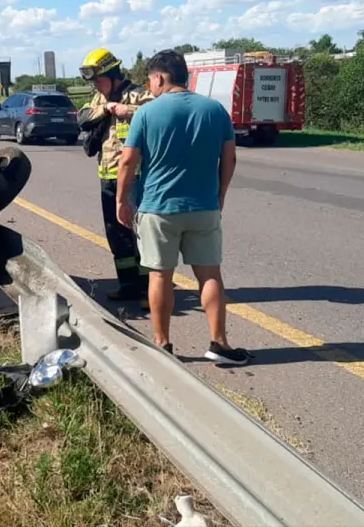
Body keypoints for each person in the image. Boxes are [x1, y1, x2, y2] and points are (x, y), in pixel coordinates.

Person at [115, 49, 251, 365]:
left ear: (160, 77)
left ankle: (163, 345)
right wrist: (220, 195)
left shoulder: (147, 113)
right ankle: (220, 344)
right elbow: (229, 157)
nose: (149, 86)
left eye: (150, 80)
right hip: (204, 206)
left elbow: (127, 160)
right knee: (210, 275)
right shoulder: (215, 110)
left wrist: (122, 200)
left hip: (158, 208)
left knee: (159, 277)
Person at [77, 48, 154, 307]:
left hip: (136, 176)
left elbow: (156, 115)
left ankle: (148, 291)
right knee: (117, 235)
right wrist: (107, 107)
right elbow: (83, 117)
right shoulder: (99, 98)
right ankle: (128, 285)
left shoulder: (140, 95)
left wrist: (127, 110)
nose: (96, 85)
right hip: (107, 177)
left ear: (113, 75)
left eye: (99, 79)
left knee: (141, 234)